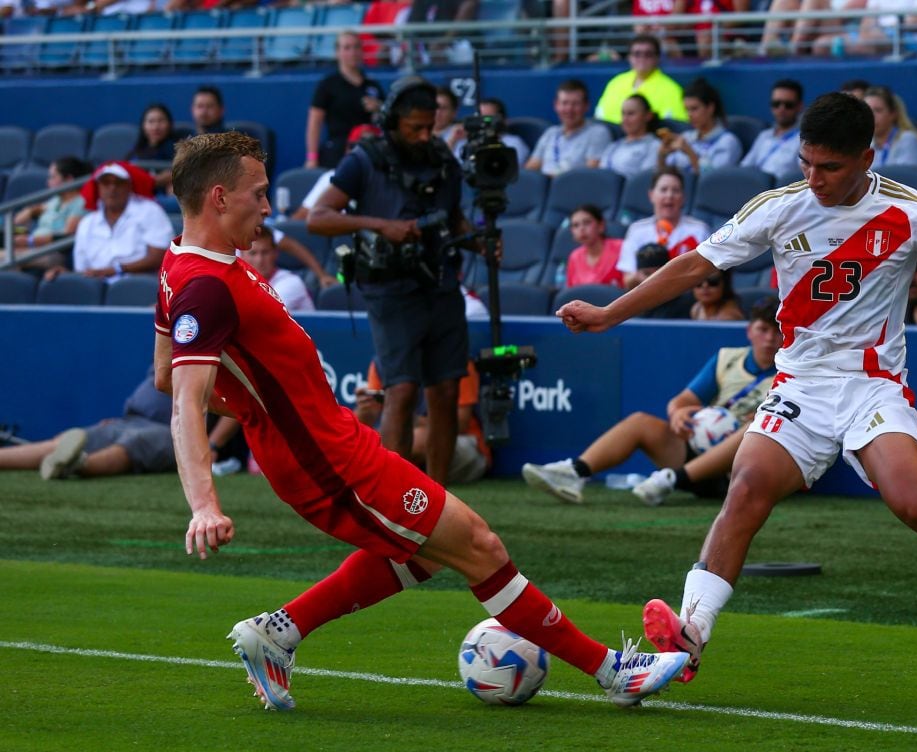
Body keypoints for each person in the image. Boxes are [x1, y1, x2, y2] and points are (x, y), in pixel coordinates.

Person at [155, 130, 686, 711]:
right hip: (326, 462)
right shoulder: (205, 287)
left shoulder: (183, 261)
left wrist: (262, 410)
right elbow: (183, 398)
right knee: (480, 545)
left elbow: (165, 374)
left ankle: (279, 632)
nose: (268, 205)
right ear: (218, 198)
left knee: (429, 551)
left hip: (332, 444)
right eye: (257, 193)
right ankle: (613, 671)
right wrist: (204, 503)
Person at [555, 92, 917, 685]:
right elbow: (696, 265)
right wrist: (608, 313)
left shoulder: (911, 212)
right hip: (799, 383)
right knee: (745, 487)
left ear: (866, 158)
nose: (814, 178)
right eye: (806, 163)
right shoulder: (780, 208)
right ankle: (691, 633)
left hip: (872, 386)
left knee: (915, 503)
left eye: (829, 167)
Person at [307, 77, 475, 485]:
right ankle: (394, 496)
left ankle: (438, 497)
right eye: (415, 127)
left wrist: (478, 240)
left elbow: (453, 218)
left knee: (446, 391)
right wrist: (383, 226)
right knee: (400, 390)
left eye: (429, 126)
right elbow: (318, 218)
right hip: (389, 289)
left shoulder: (442, 158)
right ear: (392, 121)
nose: (423, 135)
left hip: (440, 283)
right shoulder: (364, 159)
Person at [523, 297, 780, 505]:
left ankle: (671, 480)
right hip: (700, 452)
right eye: (763, 329)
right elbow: (681, 401)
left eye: (777, 332)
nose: (769, 339)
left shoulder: (791, 373)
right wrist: (678, 414)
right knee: (640, 422)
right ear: (749, 331)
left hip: (745, 470)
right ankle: (575, 472)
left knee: (756, 428)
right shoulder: (728, 358)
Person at [0, 365, 227, 481]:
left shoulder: (224, 353)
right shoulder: (173, 340)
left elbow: (239, 410)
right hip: (134, 417)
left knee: (134, 443)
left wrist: (212, 445)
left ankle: (77, 465)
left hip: (177, 431)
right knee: (76, 437)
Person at [355, 358, 490, 484]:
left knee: (412, 437)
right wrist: (365, 412)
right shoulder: (384, 360)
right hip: (406, 449)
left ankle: (385, 473)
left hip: (466, 446)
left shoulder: (457, 359)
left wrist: (407, 418)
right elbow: (361, 429)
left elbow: (460, 424)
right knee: (367, 442)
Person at [47, 162, 173, 283]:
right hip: (96, 289)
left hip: (139, 287)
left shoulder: (150, 210)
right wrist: (67, 274)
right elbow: (83, 270)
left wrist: (117, 270)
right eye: (106, 183)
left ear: (129, 185)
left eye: (118, 183)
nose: (112, 188)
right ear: (98, 187)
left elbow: (160, 257)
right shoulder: (87, 222)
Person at [616, 167, 709, 290]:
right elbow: (627, 281)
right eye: (663, 190)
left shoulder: (699, 230)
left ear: (683, 197)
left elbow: (708, 274)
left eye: (675, 190)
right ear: (651, 195)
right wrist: (645, 274)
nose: (669, 195)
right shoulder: (637, 231)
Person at [305, 32, 385, 170]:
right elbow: (314, 123)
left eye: (356, 47)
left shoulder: (372, 85)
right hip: (338, 151)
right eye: (347, 48)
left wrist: (379, 107)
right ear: (337, 52)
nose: (352, 52)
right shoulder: (328, 85)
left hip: (368, 149)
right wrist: (312, 157)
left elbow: (385, 120)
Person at [2, 156, 89, 266]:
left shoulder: (80, 203)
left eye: (52, 177)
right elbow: (19, 220)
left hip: (52, 253)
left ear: (69, 180)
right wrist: (30, 211)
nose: (48, 182)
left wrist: (30, 241)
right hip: (31, 247)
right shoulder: (56, 200)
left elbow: (65, 238)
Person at [594, 34, 687, 125]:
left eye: (648, 54)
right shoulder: (615, 83)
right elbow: (599, 118)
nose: (642, 58)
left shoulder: (672, 89)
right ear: (629, 57)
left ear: (657, 58)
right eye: (637, 54)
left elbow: (677, 127)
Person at [525, 80, 612, 177]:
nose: (569, 109)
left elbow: (591, 174)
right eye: (564, 103)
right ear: (556, 105)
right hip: (543, 189)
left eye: (575, 104)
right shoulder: (550, 133)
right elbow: (531, 169)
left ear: (586, 106)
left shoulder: (597, 133)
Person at [658, 78, 742, 174]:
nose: (689, 115)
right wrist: (662, 156)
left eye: (694, 109)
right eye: (686, 110)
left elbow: (714, 182)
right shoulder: (685, 137)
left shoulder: (727, 142)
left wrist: (690, 153)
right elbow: (665, 176)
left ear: (710, 108)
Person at [740, 79, 804, 182]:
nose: (781, 109)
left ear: (799, 106)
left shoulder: (803, 140)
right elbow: (745, 168)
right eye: (776, 104)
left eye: (788, 105)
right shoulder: (764, 135)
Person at [241, 226, 314, 312]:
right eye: (253, 253)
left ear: (275, 253)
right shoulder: (239, 282)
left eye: (265, 252)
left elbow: (264, 314)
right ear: (241, 256)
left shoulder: (291, 282)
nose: (259, 260)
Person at [864, 85, 917, 169]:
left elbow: (906, 179)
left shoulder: (908, 139)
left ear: (893, 114)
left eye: (878, 110)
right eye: (867, 110)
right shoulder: (868, 144)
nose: (871, 116)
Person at [453, 96, 529, 167]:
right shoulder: (468, 143)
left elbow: (512, 173)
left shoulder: (514, 143)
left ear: (503, 120)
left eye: (488, 119)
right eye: (480, 118)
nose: (483, 123)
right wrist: (453, 139)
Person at [598, 94, 662, 178]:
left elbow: (644, 180)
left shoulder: (655, 146)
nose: (625, 119)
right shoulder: (613, 146)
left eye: (631, 114)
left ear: (647, 116)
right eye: (623, 114)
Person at [128, 102, 182, 195]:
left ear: (169, 124)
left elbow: (184, 171)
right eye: (151, 121)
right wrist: (153, 181)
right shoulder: (136, 151)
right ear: (143, 126)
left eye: (161, 121)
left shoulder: (179, 149)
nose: (156, 127)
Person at [565, 204, 624, 289]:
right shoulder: (574, 256)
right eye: (576, 225)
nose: (581, 229)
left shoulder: (621, 247)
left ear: (601, 226)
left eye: (587, 223)